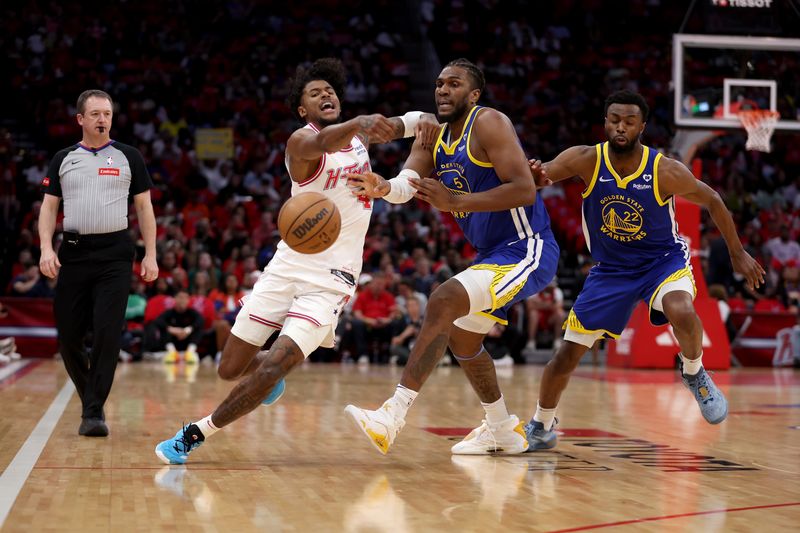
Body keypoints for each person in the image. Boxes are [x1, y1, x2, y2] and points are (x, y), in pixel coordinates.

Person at [155, 58, 438, 464]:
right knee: (229, 367)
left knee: (273, 366)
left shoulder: (360, 138)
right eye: (314, 92)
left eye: (330, 90)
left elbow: (403, 125)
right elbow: (327, 143)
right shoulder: (301, 143)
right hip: (287, 267)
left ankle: (193, 434)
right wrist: (359, 122)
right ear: (303, 109)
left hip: (331, 281)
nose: (326, 94)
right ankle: (265, 381)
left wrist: (422, 119)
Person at [522, 90, 765, 450]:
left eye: (629, 121)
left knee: (682, 309)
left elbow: (712, 199)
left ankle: (694, 371)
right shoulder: (586, 159)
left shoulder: (664, 169)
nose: (621, 127)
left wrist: (737, 252)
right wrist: (534, 174)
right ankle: (541, 424)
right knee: (567, 355)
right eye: (615, 120)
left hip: (661, 261)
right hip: (611, 270)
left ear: (642, 126)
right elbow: (541, 179)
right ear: (606, 122)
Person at [343, 58, 559, 455]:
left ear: (473, 94)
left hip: (528, 248)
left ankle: (392, 416)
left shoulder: (490, 122)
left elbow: (524, 188)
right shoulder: (434, 133)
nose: (443, 90)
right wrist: (383, 186)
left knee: (442, 299)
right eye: (440, 83)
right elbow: (410, 182)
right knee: (462, 336)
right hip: (493, 254)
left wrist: (457, 200)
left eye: (454, 84)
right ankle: (501, 430)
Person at [38, 89, 158, 437]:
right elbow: (48, 208)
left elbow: (144, 208)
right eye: (95, 114)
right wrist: (47, 248)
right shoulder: (63, 158)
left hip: (115, 256)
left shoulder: (129, 156)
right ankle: (91, 393)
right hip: (73, 253)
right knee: (68, 335)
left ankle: (93, 411)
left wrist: (150, 254)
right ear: (80, 119)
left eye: (107, 113)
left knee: (107, 332)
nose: (102, 119)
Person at [145, 289, 204, 364]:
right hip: (172, 341)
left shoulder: (192, 313)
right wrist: (171, 329)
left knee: (199, 329)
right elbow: (157, 321)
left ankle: (190, 353)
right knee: (163, 328)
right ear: (175, 299)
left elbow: (200, 320)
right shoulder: (169, 312)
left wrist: (187, 330)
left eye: (185, 298)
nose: (182, 300)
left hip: (187, 340)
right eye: (180, 297)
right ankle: (172, 353)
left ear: (188, 300)